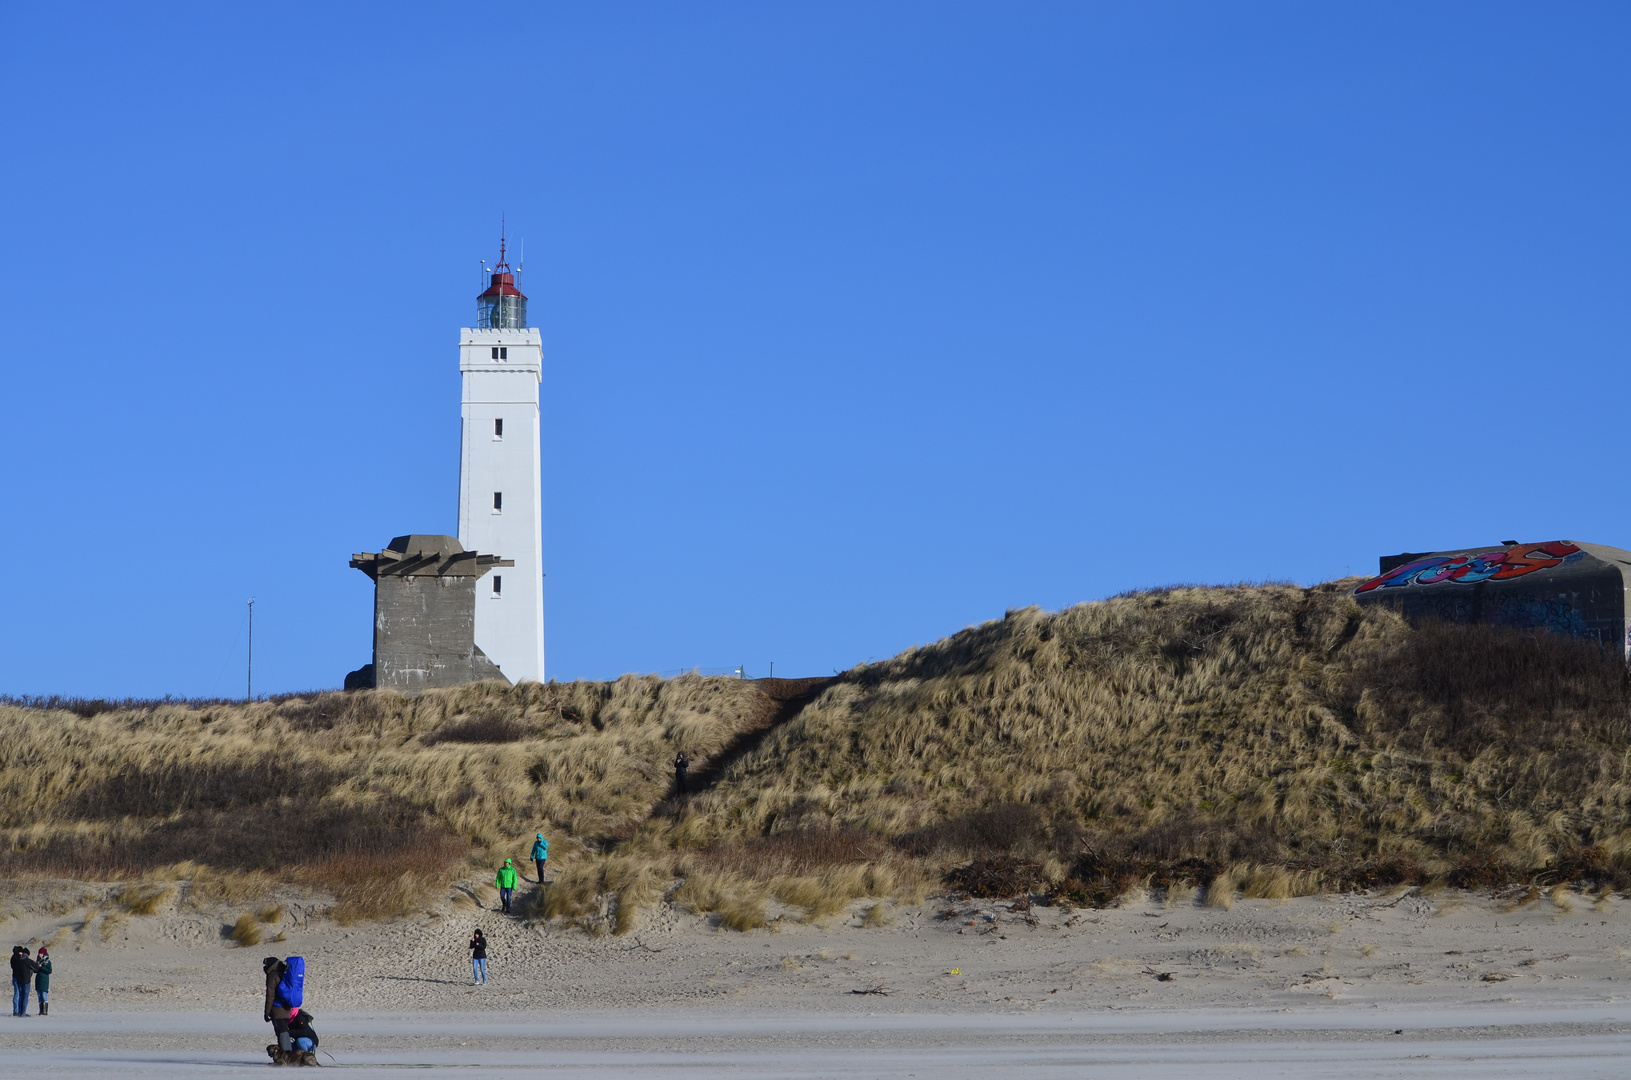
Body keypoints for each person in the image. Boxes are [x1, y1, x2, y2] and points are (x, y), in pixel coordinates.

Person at [11, 946, 39, 1017]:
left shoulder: (17, 960)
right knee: (24, 997)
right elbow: (37, 968)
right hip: (26, 981)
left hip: (19, 980)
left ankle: (19, 1011)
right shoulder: (27, 961)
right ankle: (22, 1012)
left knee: (20, 996)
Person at [33, 947, 50, 1016]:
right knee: (39, 995)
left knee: (44, 995)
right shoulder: (38, 961)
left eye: (41, 953)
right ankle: (41, 1011)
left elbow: (49, 971)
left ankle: (45, 1011)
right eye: (39, 953)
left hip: (44, 980)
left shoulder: (47, 962)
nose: (39, 954)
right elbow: (35, 970)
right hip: (38, 980)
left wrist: (41, 967)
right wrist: (36, 966)